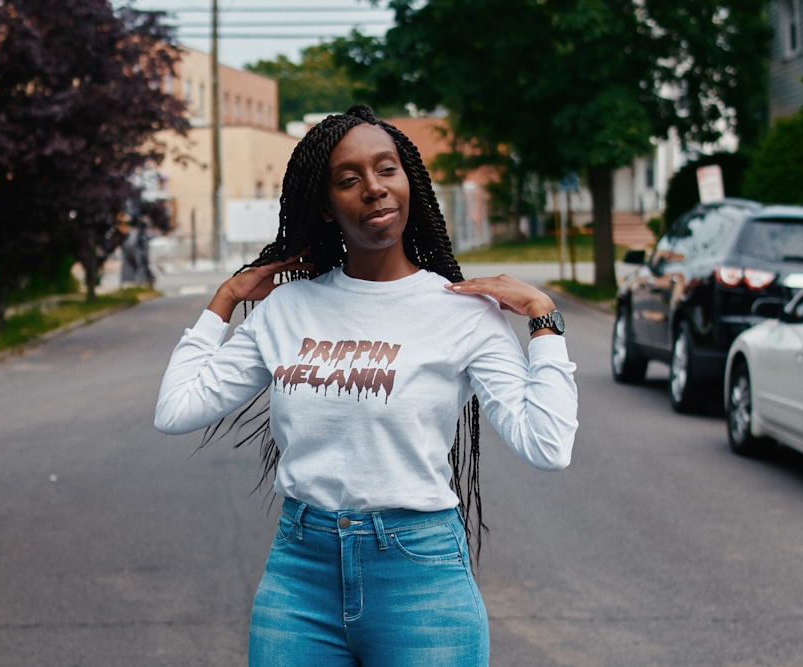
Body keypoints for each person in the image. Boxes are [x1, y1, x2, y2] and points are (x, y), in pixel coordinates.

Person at [154, 104, 578, 666]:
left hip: (420, 578)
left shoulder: (464, 313)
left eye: (387, 170)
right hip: (300, 578)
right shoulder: (288, 307)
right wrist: (225, 300)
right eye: (348, 180)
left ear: (410, 183)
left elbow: (547, 444)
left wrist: (543, 320)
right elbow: (175, 409)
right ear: (327, 207)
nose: (374, 189)